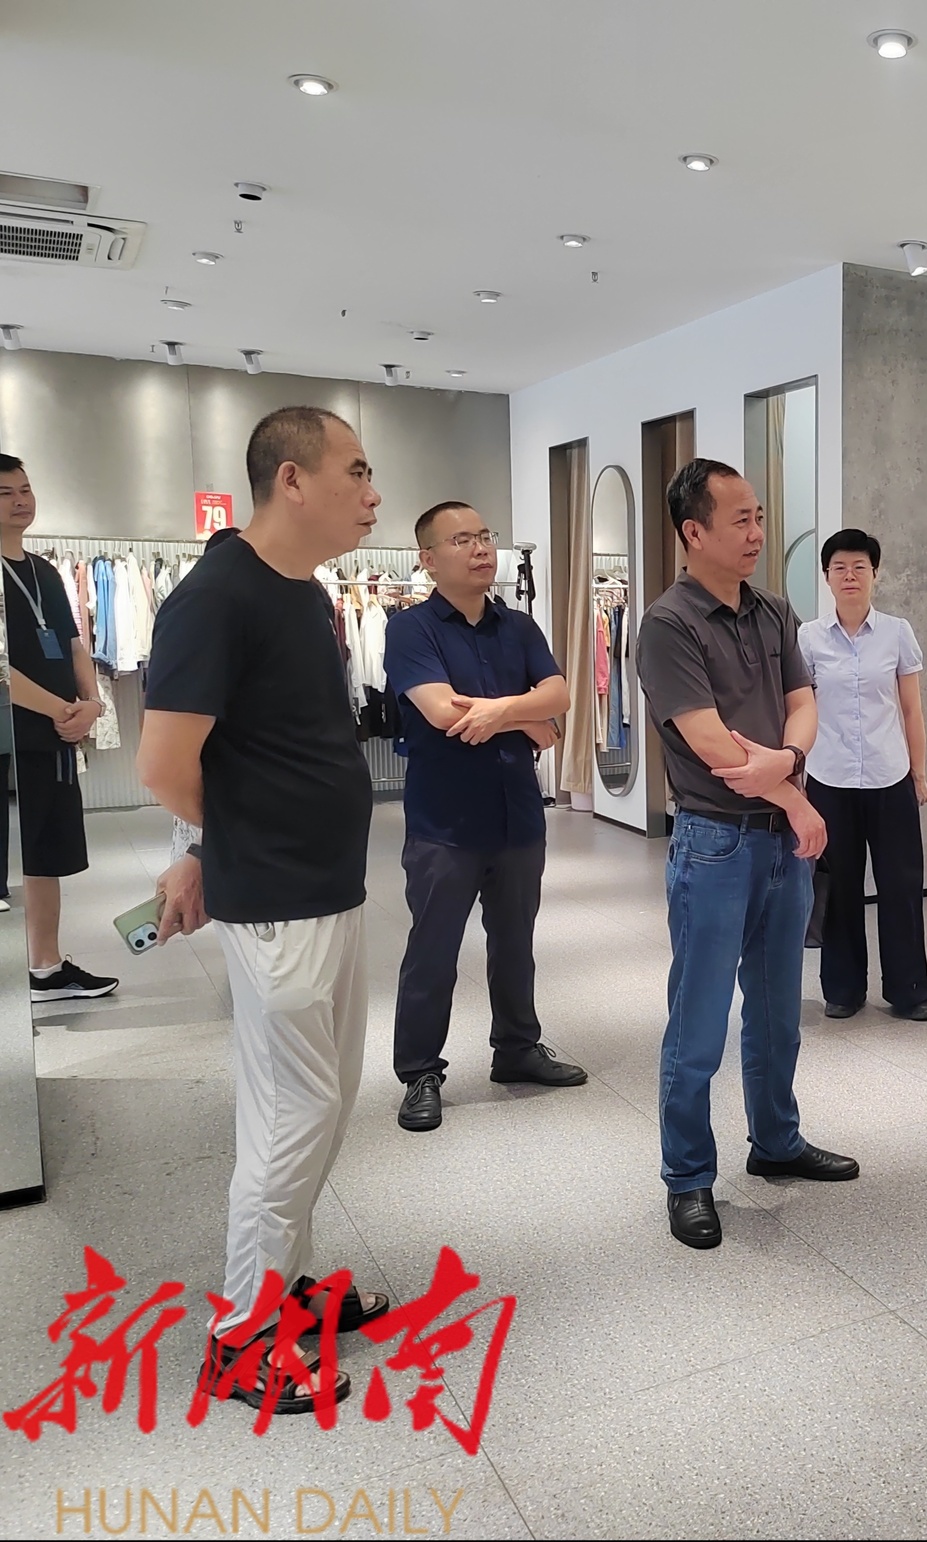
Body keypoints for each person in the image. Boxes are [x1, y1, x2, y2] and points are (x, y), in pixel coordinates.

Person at [139, 405, 392, 1417]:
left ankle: (284, 1289)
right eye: (356, 471)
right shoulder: (214, 598)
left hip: (326, 888)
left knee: (321, 1104)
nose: (373, 493)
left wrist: (219, 845)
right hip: (279, 899)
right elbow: (164, 766)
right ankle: (241, 1340)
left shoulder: (305, 594)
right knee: (292, 1117)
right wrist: (223, 849)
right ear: (292, 479)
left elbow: (266, 747)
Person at [636, 457, 859, 1251]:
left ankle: (776, 1141)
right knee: (698, 1024)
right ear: (694, 532)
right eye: (741, 520)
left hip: (779, 848)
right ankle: (687, 1176)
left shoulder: (773, 610)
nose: (757, 532)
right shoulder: (667, 624)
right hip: (716, 843)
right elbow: (707, 740)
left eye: (760, 516)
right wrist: (795, 794)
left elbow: (804, 703)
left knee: (776, 1013)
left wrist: (787, 764)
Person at [382, 500, 583, 1133]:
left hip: (517, 814)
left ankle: (517, 1048)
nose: (480, 549)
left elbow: (560, 695)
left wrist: (498, 713)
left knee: (516, 942)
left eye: (485, 536)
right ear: (428, 559)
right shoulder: (410, 630)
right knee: (433, 949)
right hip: (444, 823)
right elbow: (443, 712)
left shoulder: (519, 627)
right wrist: (526, 716)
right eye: (462, 539)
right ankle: (420, 1071)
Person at [797, 529, 927, 1022]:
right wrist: (797, 781)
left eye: (859, 566)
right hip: (829, 778)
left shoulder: (897, 632)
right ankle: (843, 989)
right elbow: (800, 710)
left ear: (875, 574)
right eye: (839, 567)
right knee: (839, 888)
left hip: (889, 776)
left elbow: (912, 709)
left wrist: (919, 773)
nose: (850, 575)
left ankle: (910, 990)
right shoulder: (808, 638)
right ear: (827, 577)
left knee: (902, 886)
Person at [0, 453, 119, 999]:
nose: (20, 501)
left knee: (43, 853)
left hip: (51, 734)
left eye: (25, 489)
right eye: (5, 493)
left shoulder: (44, 571)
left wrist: (91, 702)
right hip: (14, 734)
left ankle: (45, 967)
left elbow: (73, 645)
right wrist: (60, 709)